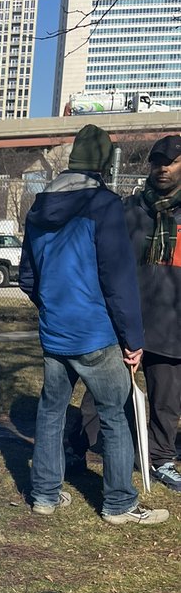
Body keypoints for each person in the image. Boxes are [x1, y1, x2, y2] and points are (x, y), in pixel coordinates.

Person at [18, 124, 168, 526]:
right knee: (116, 414)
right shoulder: (105, 205)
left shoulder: (38, 206)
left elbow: (27, 278)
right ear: (103, 164)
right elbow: (117, 279)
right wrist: (132, 338)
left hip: (55, 332)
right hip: (96, 335)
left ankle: (45, 495)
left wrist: (52, 307)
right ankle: (119, 503)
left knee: (50, 414)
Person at [124, 135, 181, 491]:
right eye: (157, 161)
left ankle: (160, 457)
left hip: (172, 327)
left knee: (165, 402)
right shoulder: (130, 210)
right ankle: (78, 446)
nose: (162, 167)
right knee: (104, 397)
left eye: (172, 161)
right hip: (127, 322)